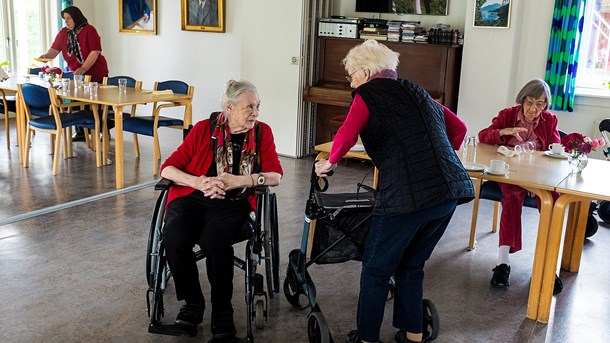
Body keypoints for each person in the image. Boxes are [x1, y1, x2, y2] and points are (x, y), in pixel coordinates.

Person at [315, 39, 474, 343]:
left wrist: (329, 163)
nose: (351, 83)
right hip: (448, 192)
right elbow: (460, 129)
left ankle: (367, 339)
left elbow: (347, 133)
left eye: (351, 76)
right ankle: (413, 334)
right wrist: (433, 159)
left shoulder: (367, 94)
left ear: (364, 72)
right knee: (411, 265)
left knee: (376, 269)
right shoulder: (418, 92)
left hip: (407, 197)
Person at [159, 80, 283, 339]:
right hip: (193, 197)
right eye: (249, 107)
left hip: (233, 203)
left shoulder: (262, 133)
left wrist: (240, 181)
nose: (256, 113)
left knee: (214, 239)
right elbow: (168, 169)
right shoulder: (204, 129)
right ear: (229, 106)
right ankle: (192, 304)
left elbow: (275, 176)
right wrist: (199, 182)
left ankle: (222, 312)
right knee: (174, 235)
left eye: (257, 106)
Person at [478, 79, 563, 294]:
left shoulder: (550, 120)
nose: (534, 109)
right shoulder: (507, 114)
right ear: (522, 100)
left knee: (554, 202)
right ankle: (502, 263)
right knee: (512, 197)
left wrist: (538, 146)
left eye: (541, 104)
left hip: (538, 175)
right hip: (510, 173)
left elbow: (555, 149)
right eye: (530, 102)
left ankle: (548, 267)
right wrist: (503, 132)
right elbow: (483, 136)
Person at [40, 6, 109, 141]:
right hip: (76, 73)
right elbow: (54, 51)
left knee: (97, 103)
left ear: (76, 17)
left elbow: (95, 52)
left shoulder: (89, 30)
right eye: (65, 19)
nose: (66, 22)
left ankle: (103, 131)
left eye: (69, 18)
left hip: (95, 71)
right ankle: (81, 132)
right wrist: (45, 56)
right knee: (77, 101)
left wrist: (83, 68)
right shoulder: (63, 34)